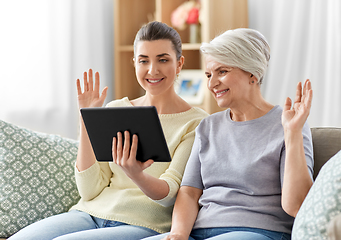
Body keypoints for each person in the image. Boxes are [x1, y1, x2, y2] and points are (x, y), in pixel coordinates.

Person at [8, 21, 209, 240]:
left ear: (179, 64)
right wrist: (87, 118)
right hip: (89, 213)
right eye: (144, 61)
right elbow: (90, 190)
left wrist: (136, 174)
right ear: (134, 63)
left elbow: (170, 194)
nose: (152, 70)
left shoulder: (196, 123)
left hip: (146, 223)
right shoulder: (116, 110)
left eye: (163, 59)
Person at [143, 28, 314, 240]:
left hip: (257, 231)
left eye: (222, 72)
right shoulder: (207, 126)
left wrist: (293, 133)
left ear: (252, 73)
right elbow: (189, 192)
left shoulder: (289, 124)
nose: (212, 83)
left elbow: (298, 205)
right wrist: (178, 233)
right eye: (208, 74)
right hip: (199, 232)